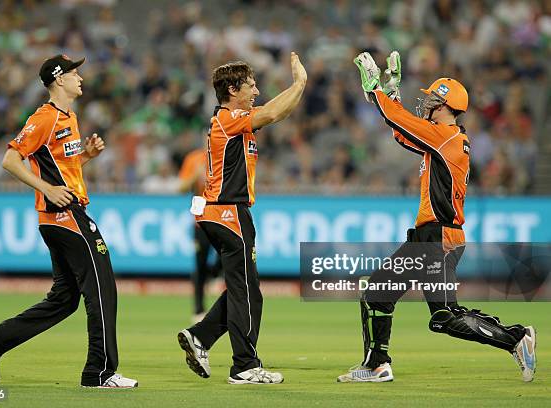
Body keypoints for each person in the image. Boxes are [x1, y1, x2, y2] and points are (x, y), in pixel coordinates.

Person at [337, 51, 536, 383]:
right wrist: (389, 98)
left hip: (439, 239)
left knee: (444, 315)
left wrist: (378, 92)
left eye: (432, 99)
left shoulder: (445, 137)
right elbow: (402, 132)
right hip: (431, 237)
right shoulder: (441, 139)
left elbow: (398, 122)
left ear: (444, 106)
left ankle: (517, 337)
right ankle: (377, 365)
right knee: (378, 295)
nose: (426, 102)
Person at [0, 55, 137, 388]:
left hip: (60, 218)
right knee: (102, 290)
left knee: (64, 299)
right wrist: (47, 188)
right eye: (75, 73)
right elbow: (10, 160)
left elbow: (63, 169)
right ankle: (100, 372)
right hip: (66, 217)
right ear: (58, 79)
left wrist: (86, 156)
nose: (81, 78)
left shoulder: (69, 117)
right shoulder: (45, 118)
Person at [178, 52, 307, 385]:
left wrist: (296, 91)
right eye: (251, 85)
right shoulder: (229, 117)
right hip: (228, 212)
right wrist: (300, 83)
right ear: (233, 89)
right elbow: (274, 111)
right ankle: (245, 365)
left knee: (243, 288)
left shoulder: (231, 118)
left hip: (222, 212)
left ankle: (201, 337)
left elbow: (279, 112)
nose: (256, 91)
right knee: (247, 292)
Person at [178, 146, 223, 323]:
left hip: (223, 218)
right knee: (200, 263)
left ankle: (214, 274)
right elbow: (181, 188)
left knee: (226, 258)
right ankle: (198, 309)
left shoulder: (224, 155)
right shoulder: (194, 159)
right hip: (201, 220)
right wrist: (194, 176)